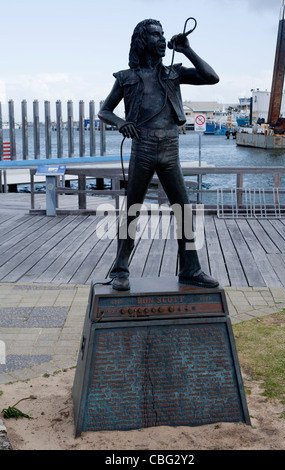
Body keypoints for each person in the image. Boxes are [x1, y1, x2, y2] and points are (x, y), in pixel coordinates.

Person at [99, 19, 220, 291]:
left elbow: (212, 78)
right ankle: (120, 269)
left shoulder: (173, 74)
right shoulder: (127, 78)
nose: (162, 39)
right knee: (132, 210)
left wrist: (187, 50)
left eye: (163, 34)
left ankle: (191, 269)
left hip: (169, 149)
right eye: (156, 34)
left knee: (184, 211)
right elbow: (104, 111)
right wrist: (121, 123)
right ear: (143, 41)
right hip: (141, 149)